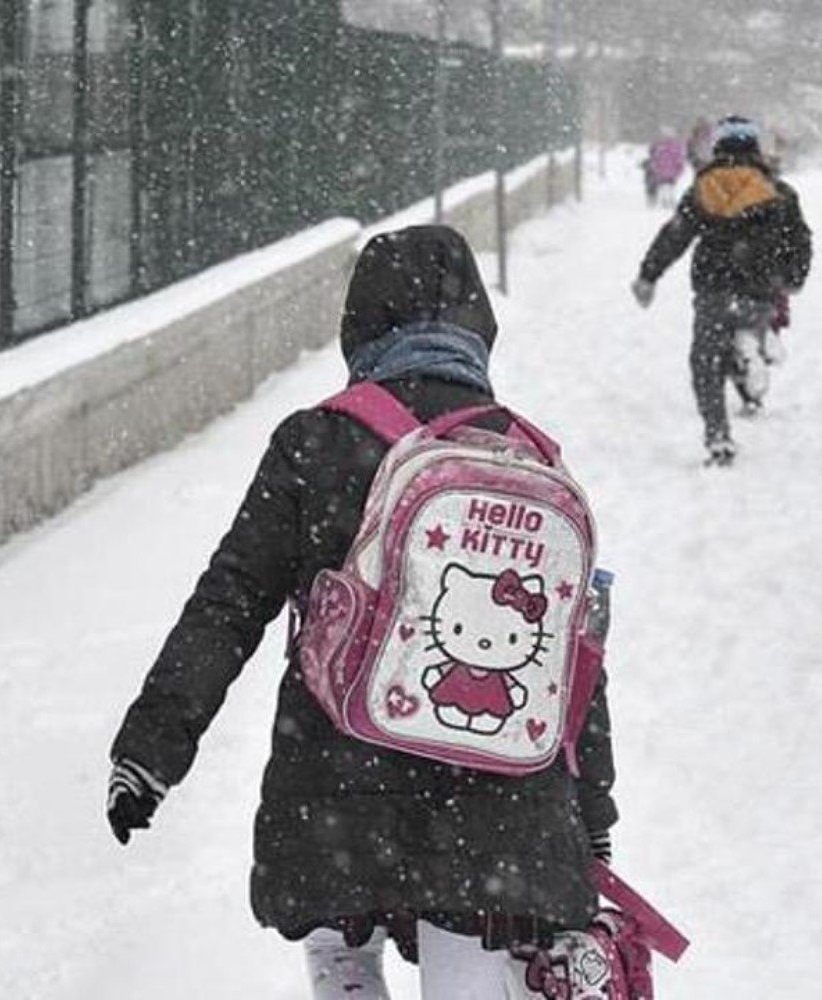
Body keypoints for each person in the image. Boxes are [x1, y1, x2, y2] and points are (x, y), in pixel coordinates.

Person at [105, 225, 618, 997]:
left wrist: (151, 749)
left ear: (361, 326)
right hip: (497, 803)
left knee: (340, 938)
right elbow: (571, 660)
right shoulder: (528, 459)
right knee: (472, 955)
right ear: (478, 327)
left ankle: (346, 969)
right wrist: (592, 810)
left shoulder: (316, 441)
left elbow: (231, 600)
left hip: (337, 783)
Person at [632, 116, 814, 466]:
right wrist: (793, 277)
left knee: (706, 361)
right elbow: (800, 241)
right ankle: (753, 352)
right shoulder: (780, 192)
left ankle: (718, 436)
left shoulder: (704, 188)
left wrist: (648, 275)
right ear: (756, 148)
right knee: (746, 331)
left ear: (717, 146)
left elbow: (675, 235)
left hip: (714, 288)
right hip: (760, 289)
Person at [643, 131, 688, 207]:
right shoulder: (676, 148)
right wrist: (680, 169)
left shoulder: (660, 147)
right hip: (673, 172)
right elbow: (679, 160)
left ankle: (665, 199)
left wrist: (655, 168)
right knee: (671, 186)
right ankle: (670, 199)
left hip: (662, 171)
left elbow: (655, 159)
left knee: (663, 186)